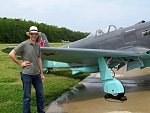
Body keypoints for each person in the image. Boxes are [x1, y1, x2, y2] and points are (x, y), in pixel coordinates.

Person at [9, 26, 45, 113]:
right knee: (27, 96)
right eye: (32, 34)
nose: (34, 36)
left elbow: (39, 59)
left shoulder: (37, 45)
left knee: (40, 95)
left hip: (36, 75)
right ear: (29, 34)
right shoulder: (24, 44)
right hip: (26, 74)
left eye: (35, 34)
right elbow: (11, 54)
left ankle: (41, 111)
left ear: (37, 35)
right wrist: (20, 63)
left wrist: (42, 73)